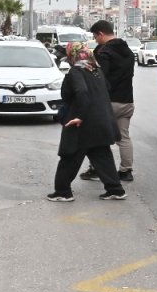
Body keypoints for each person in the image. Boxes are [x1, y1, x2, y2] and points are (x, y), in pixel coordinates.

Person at [46, 42, 126, 201]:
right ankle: (115, 190)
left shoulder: (76, 71)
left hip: (82, 123)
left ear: (71, 55)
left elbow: (81, 91)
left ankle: (62, 192)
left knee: (70, 154)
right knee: (101, 154)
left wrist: (80, 116)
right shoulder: (96, 70)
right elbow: (107, 89)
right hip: (101, 120)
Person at [80, 20, 136, 183]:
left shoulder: (104, 53)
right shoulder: (128, 51)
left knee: (98, 136)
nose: (95, 40)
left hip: (108, 102)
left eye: (95, 36)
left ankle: (96, 169)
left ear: (101, 34)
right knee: (123, 137)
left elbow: (99, 78)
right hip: (126, 101)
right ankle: (126, 171)